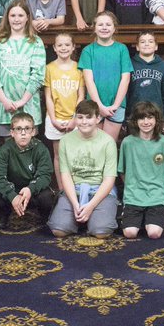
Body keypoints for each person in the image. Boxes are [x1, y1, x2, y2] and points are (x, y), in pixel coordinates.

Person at [48, 99, 119, 238]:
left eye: (89, 117)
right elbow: (66, 175)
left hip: (99, 191)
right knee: (58, 230)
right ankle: (80, 215)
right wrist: (75, 204)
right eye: (80, 117)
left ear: (97, 118)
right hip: (74, 190)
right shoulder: (65, 141)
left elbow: (109, 180)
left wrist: (91, 206)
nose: (84, 122)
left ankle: (92, 216)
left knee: (101, 231)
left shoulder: (108, 142)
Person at [0, 111, 56, 228]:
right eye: (19, 129)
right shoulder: (5, 150)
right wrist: (12, 195)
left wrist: (30, 189)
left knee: (47, 197)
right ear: (12, 133)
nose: (23, 133)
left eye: (27, 128)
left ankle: (44, 217)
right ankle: (4, 214)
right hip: (12, 190)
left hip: (32, 190)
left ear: (33, 131)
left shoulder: (41, 149)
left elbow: (45, 175)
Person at [0, 0, 47, 135]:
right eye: (13, 15)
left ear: (27, 17)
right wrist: (5, 101)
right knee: (8, 146)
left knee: (29, 145)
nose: (16, 19)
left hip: (29, 107)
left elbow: (38, 75)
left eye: (20, 15)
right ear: (7, 18)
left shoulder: (36, 42)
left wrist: (22, 101)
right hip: (5, 107)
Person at [118, 101, 164, 239]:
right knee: (130, 233)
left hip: (156, 196)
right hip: (134, 196)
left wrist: (161, 187)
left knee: (154, 233)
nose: (146, 122)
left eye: (150, 118)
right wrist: (132, 186)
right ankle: (136, 218)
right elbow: (122, 171)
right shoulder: (127, 142)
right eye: (141, 118)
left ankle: (154, 216)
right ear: (135, 121)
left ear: (157, 120)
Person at [80, 11, 132, 141]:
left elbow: (125, 79)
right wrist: (99, 106)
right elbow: (89, 80)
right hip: (94, 105)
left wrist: (116, 105)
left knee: (109, 144)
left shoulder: (122, 49)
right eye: (100, 24)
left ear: (114, 28)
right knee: (94, 145)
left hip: (116, 105)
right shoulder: (88, 51)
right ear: (94, 28)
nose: (104, 27)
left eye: (108, 25)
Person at [44, 31, 84, 172]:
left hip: (74, 118)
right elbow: (48, 96)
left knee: (75, 155)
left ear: (73, 47)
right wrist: (54, 120)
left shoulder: (79, 68)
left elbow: (81, 96)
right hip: (56, 118)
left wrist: (74, 119)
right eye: (60, 45)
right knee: (59, 156)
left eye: (67, 45)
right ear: (54, 48)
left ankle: (74, 184)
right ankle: (61, 185)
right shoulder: (49, 68)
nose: (63, 48)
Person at [128, 30, 164, 122]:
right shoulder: (130, 64)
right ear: (137, 47)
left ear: (156, 46)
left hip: (157, 114)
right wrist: (126, 117)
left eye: (150, 41)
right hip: (134, 113)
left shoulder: (163, 65)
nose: (146, 44)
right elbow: (126, 92)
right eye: (142, 42)